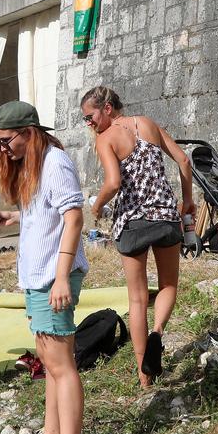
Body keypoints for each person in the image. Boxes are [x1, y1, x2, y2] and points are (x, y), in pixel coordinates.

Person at [0, 101, 87, 434]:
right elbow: (46, 215)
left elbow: (74, 218)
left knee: (62, 366)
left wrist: (61, 277)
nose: (4, 149)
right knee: (49, 362)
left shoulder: (55, 162)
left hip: (53, 277)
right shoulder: (35, 166)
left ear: (29, 132)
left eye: (7, 141)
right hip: (38, 276)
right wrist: (10, 218)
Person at [81, 85, 195, 388]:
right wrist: (187, 201)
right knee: (169, 284)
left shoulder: (105, 139)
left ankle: (145, 378)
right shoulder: (147, 123)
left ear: (107, 108)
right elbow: (184, 161)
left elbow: (114, 182)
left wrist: (96, 204)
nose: (89, 125)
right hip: (166, 216)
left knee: (137, 297)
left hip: (133, 221)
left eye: (89, 118)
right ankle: (157, 331)